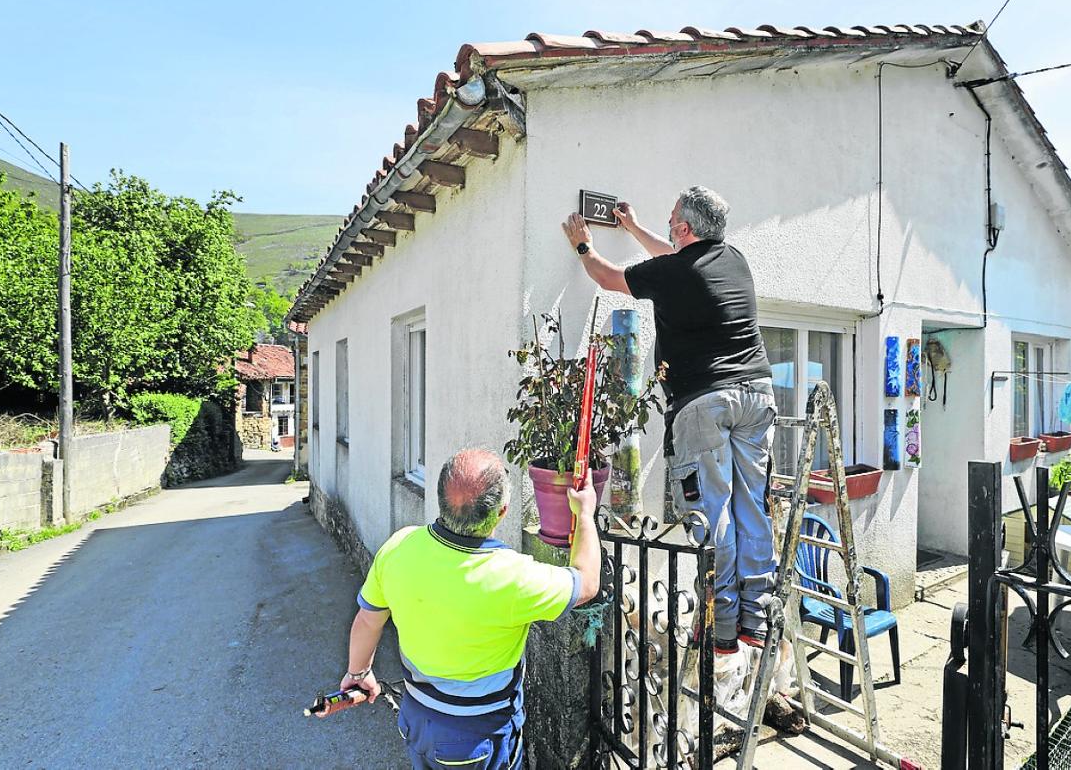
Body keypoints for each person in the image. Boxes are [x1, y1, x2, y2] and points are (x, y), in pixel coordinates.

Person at [561, 186, 777, 653]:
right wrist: (635, 228)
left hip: (706, 401)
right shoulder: (733, 259)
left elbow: (607, 277)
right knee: (751, 505)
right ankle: (756, 620)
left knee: (713, 512)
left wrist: (583, 245)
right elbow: (678, 258)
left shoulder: (674, 270)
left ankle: (720, 626)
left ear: (683, 228)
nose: (669, 225)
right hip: (758, 393)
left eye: (671, 219)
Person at [324, 449, 601, 769]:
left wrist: (358, 674)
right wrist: (584, 514)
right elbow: (587, 583)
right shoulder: (514, 577)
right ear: (502, 512)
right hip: (478, 737)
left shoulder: (399, 547)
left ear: (440, 498)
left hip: (418, 720)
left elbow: (368, 621)